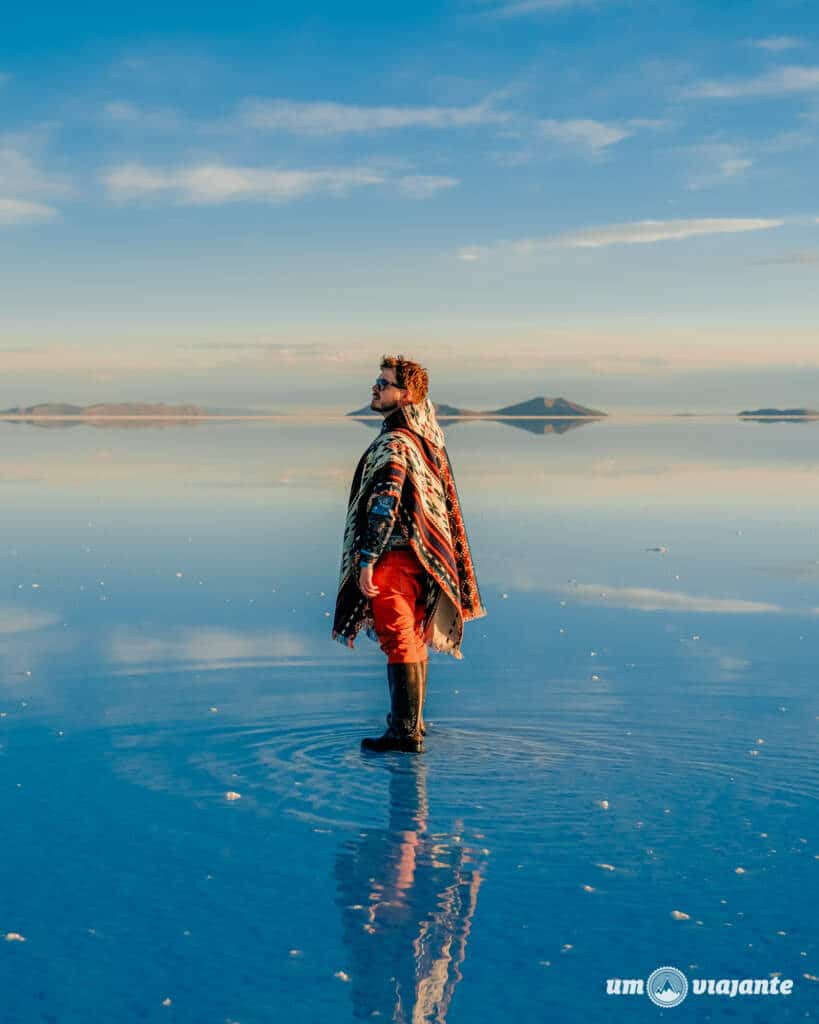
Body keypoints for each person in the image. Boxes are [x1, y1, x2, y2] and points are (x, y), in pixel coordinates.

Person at [332, 354, 486, 753]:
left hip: (394, 559)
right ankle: (411, 723)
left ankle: (404, 733)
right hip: (421, 561)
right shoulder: (425, 439)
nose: (375, 388)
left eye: (383, 384)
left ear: (405, 395)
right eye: (377, 381)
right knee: (412, 638)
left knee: (398, 638)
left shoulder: (397, 443)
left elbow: (386, 500)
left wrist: (367, 559)